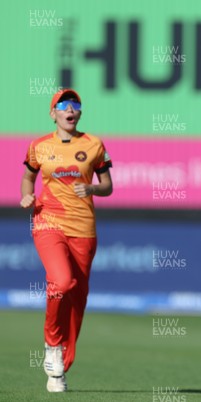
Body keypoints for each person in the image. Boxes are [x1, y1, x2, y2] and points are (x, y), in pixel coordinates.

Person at [20, 88, 113, 392]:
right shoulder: (39, 146)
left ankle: (60, 366)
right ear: (53, 113)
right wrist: (26, 196)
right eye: (63, 104)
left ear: (80, 112)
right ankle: (51, 344)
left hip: (84, 228)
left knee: (77, 300)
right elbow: (28, 176)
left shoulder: (94, 144)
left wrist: (93, 190)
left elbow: (107, 186)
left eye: (75, 104)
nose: (70, 109)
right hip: (48, 221)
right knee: (61, 282)